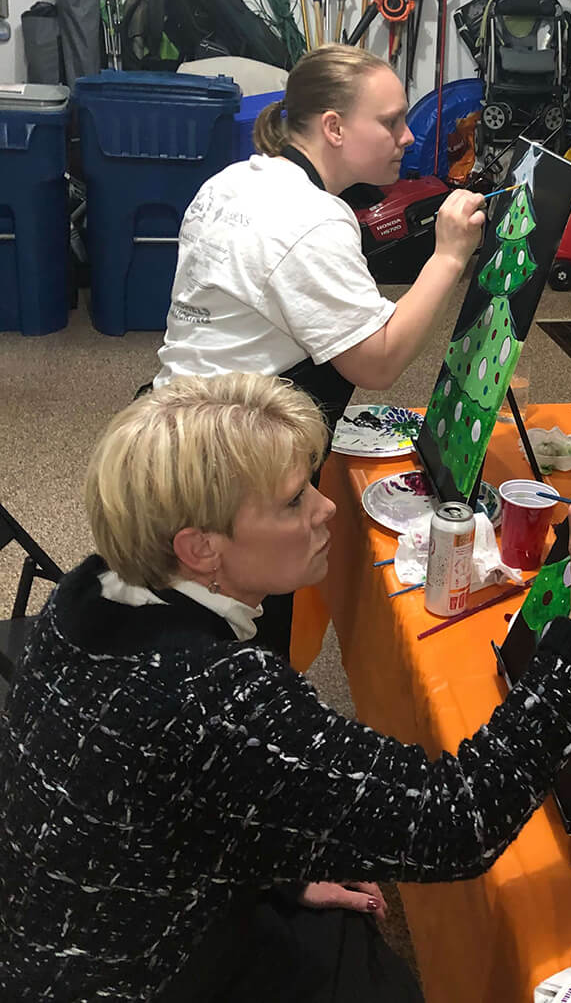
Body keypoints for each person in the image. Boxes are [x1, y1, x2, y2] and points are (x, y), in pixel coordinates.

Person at [0, 373, 571, 1002]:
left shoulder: (89, 590)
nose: (325, 506)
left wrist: (273, 857)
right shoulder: (218, 696)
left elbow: (149, 803)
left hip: (63, 928)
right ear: (199, 549)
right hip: (137, 973)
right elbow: (459, 819)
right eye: (292, 502)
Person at [153, 44, 486, 655]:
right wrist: (448, 256)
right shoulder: (309, 218)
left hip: (171, 431)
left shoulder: (237, 178)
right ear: (333, 127)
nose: (408, 137)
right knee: (234, 653)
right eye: (390, 121)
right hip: (231, 468)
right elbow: (377, 360)